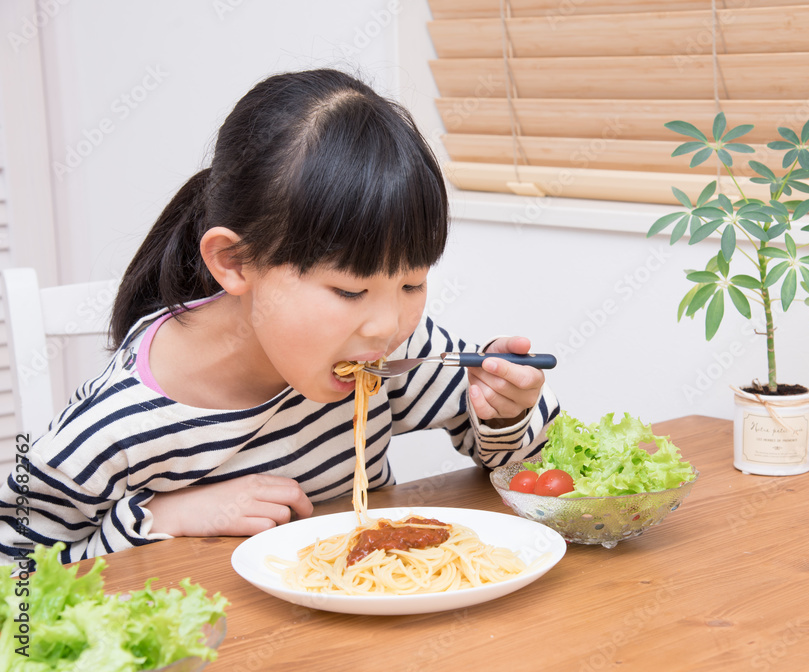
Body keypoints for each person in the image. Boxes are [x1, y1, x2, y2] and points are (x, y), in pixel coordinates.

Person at [0, 69, 559, 564]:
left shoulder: (393, 356)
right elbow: (15, 579)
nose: (388, 325)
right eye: (348, 290)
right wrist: (158, 519)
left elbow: (533, 468)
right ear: (235, 262)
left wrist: (505, 413)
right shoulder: (116, 425)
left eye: (412, 282)